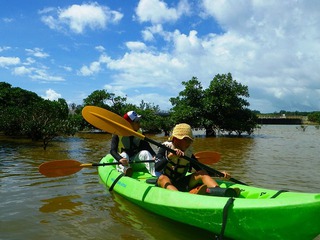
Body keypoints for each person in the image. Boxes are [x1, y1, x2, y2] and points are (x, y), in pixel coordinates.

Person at [155, 123, 236, 196]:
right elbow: (157, 167)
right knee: (162, 178)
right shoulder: (165, 148)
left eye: (190, 140)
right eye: (186, 140)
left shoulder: (188, 153)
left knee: (201, 173)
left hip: (181, 182)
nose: (189, 143)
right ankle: (181, 197)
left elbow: (201, 169)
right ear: (175, 139)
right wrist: (170, 157)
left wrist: (219, 174)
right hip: (165, 183)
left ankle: (219, 192)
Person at [110, 110, 156, 177]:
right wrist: (119, 158)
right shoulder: (117, 134)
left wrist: (154, 155)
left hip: (135, 162)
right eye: (136, 122)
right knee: (124, 155)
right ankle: (125, 171)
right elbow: (112, 150)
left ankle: (155, 174)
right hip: (123, 162)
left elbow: (146, 146)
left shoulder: (139, 133)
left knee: (145, 153)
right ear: (128, 124)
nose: (139, 123)